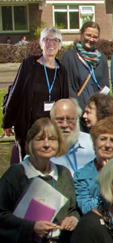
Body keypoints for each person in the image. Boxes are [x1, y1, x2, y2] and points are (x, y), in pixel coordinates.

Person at [3, 27, 69, 162]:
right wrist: (7, 121)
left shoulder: (62, 71)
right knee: (28, 171)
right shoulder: (29, 64)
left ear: (60, 45)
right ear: (40, 43)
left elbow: (64, 102)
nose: (51, 44)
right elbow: (15, 92)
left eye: (55, 41)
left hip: (51, 133)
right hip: (28, 130)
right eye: (47, 40)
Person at [74, 118, 113, 214]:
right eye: (103, 139)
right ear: (94, 143)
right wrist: (106, 182)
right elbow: (87, 210)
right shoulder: (81, 175)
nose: (107, 145)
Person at [61, 22, 109, 110]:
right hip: (77, 110)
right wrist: (83, 108)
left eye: (95, 37)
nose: (91, 39)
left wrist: (97, 108)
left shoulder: (101, 58)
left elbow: (105, 86)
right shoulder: (68, 57)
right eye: (88, 35)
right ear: (81, 34)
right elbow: (67, 86)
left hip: (97, 112)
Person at [49, 99, 94, 175]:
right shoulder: (43, 148)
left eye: (70, 120)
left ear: (77, 119)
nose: (65, 125)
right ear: (52, 121)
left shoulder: (92, 143)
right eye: (59, 120)